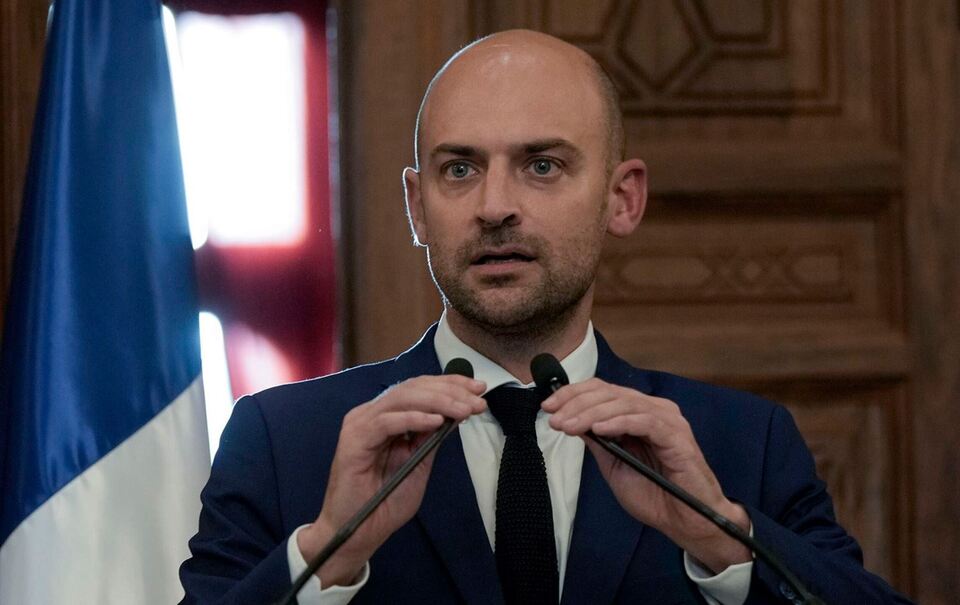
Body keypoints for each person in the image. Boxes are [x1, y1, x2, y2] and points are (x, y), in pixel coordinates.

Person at [179, 30, 912, 604]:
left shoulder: (743, 445)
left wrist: (724, 543)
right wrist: (324, 556)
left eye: (542, 165)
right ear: (416, 207)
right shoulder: (283, 441)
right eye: (459, 169)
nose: (495, 206)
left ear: (623, 198)